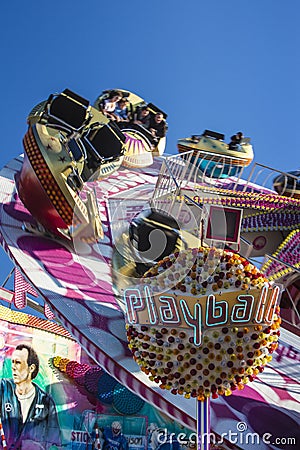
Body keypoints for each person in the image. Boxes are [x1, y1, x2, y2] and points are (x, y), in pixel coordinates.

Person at [0, 344, 61, 449]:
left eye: (18, 363)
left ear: (31, 368)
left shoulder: (45, 401)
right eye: (12, 362)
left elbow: (54, 442)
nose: (13, 367)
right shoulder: (3, 389)